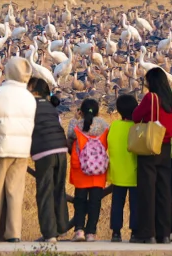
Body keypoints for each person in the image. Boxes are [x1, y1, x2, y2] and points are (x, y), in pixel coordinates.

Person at [0, 56, 36, 241]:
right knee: (15, 193)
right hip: (22, 149)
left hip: (0, 147)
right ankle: (14, 233)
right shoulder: (30, 97)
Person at [132, 67, 172, 245]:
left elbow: (136, 116)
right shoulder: (171, 98)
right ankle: (164, 233)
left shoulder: (151, 98)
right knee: (164, 191)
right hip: (166, 147)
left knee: (147, 190)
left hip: (151, 146)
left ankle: (147, 233)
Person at [28, 76, 69, 242]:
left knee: (44, 191)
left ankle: (49, 234)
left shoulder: (30, 105)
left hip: (44, 150)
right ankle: (61, 228)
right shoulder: (52, 107)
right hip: (61, 149)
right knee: (58, 189)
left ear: (35, 91)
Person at [67, 97, 108, 239]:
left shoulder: (76, 124)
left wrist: (74, 118)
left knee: (80, 200)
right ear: (97, 111)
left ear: (82, 112)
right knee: (95, 201)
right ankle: (91, 232)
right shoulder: (104, 125)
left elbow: (70, 135)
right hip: (98, 168)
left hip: (81, 168)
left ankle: (79, 230)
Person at [106, 92, 138, 241]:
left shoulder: (114, 126)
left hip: (117, 172)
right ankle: (134, 232)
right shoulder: (137, 127)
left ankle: (116, 232)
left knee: (117, 204)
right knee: (135, 205)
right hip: (134, 173)